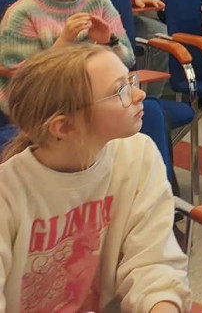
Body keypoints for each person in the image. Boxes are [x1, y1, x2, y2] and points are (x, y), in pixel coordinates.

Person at [0, 44, 189, 313]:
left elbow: (153, 261)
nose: (139, 94)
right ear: (64, 126)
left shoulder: (138, 154)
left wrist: (161, 304)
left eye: (130, 81)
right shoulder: (8, 193)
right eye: (120, 91)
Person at [1, 0, 134, 110]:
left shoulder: (99, 2)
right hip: (40, 103)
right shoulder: (22, 13)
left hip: (93, 95)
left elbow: (127, 60)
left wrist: (108, 42)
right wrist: (64, 42)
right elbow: (23, 78)